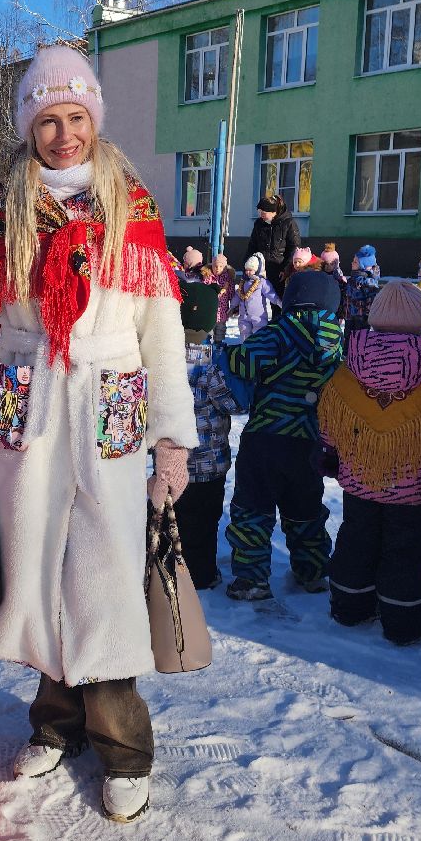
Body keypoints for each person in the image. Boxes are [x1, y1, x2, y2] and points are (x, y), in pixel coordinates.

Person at [0, 43, 196, 824]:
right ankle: (54, 724)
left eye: (75, 117)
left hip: (108, 398)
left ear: (94, 119)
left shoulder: (129, 205)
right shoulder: (2, 212)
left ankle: (124, 749)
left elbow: (161, 328)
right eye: (47, 120)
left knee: (102, 577)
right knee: (30, 567)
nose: (63, 134)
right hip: (24, 403)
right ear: (28, 128)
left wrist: (173, 438)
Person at [319, 282, 421, 645]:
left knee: (356, 541)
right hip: (418, 486)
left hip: (360, 478)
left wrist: (331, 452)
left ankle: (349, 606)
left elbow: (330, 419)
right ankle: (404, 623)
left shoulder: (350, 365)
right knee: (407, 553)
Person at [220, 269, 345, 601]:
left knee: (253, 509)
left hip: (267, 436)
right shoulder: (338, 344)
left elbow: (243, 363)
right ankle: (314, 570)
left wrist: (227, 352)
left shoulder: (277, 333)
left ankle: (251, 579)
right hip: (310, 441)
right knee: (306, 509)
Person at [176, 282, 239, 589]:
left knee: (176, 520)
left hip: (173, 462)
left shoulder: (166, 360)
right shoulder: (214, 363)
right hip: (210, 464)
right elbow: (233, 403)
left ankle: (173, 570)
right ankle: (201, 575)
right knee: (205, 522)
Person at [244, 193, 300, 296]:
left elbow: (294, 248)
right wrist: (247, 264)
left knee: (277, 301)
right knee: (255, 301)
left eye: (263, 212)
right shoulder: (259, 224)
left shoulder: (288, 223)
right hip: (260, 270)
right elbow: (252, 246)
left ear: (273, 212)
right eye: (259, 212)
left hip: (279, 271)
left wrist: (286, 269)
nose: (261, 215)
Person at [231, 253, 279, 338]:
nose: (248, 272)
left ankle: (260, 348)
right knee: (244, 331)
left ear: (256, 269)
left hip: (258, 315)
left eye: (251, 270)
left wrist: (278, 302)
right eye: (246, 270)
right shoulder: (243, 283)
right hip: (244, 315)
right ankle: (245, 348)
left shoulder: (262, 282)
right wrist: (232, 306)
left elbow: (270, 293)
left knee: (260, 332)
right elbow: (238, 295)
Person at [343, 245, 380, 331]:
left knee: (360, 340)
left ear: (363, 266)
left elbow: (371, 302)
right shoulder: (352, 279)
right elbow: (347, 298)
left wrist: (367, 317)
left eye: (355, 262)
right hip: (349, 318)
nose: (352, 263)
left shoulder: (368, 282)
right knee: (349, 340)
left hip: (362, 320)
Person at [205, 253, 236, 342]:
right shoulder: (208, 277)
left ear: (225, 267)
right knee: (208, 329)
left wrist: (234, 307)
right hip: (209, 311)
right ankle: (207, 345)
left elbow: (231, 294)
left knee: (220, 329)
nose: (217, 268)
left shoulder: (228, 280)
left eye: (220, 266)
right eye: (215, 266)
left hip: (222, 310)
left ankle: (218, 345)